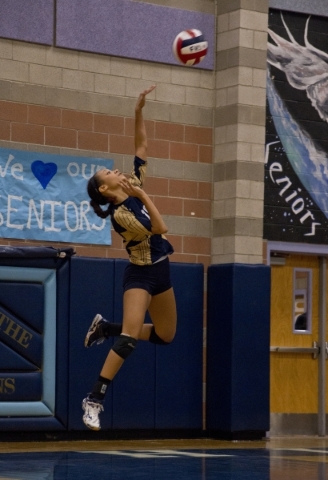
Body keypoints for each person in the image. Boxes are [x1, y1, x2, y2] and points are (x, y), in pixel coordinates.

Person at [82, 85, 177, 430]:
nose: (113, 170)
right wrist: (143, 194)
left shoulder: (133, 182)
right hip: (140, 276)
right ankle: (94, 399)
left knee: (166, 335)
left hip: (162, 271)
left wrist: (139, 110)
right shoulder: (122, 215)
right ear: (106, 190)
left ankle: (105, 327)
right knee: (130, 339)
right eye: (107, 174)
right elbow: (161, 226)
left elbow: (141, 145)